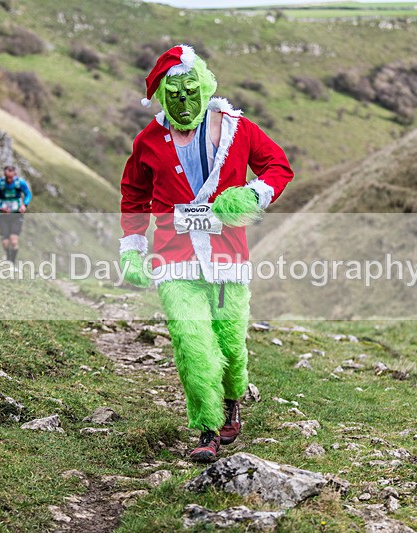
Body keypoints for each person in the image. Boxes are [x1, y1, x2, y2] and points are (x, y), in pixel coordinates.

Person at [119, 45, 293, 462]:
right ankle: (207, 428)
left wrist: (250, 195)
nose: (183, 100)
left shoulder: (237, 128)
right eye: (174, 93)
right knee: (192, 343)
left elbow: (278, 167)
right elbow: (134, 195)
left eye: (190, 91)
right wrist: (132, 249)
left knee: (230, 345)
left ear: (205, 85)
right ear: (162, 96)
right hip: (174, 260)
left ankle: (232, 401)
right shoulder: (148, 141)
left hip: (228, 257)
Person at [0, 165, 31, 264]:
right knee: (5, 243)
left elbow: (28, 194)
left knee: (14, 241)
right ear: (4, 175)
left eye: (11, 177)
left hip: (17, 214)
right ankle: (8, 258)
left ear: (15, 175)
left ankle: (12, 262)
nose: (9, 180)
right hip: (3, 215)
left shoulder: (20, 183)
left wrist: (24, 205)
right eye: (7, 177)